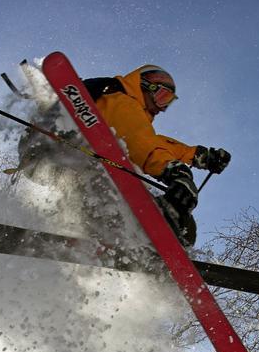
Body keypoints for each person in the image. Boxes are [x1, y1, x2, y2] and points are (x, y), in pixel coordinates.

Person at [18, 64, 231, 247]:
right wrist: (175, 171)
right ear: (146, 85)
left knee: (180, 224)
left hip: (60, 162)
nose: (161, 107)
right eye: (161, 96)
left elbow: (151, 142)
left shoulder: (131, 113)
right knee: (173, 218)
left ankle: (91, 238)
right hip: (54, 149)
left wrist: (196, 155)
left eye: (167, 102)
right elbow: (141, 144)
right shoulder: (122, 100)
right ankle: (137, 239)